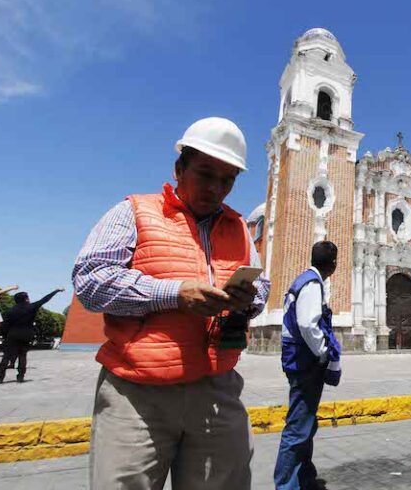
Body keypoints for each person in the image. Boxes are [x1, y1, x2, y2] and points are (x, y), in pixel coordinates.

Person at [72, 116, 270, 490]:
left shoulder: (241, 228)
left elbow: (262, 288)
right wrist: (173, 294)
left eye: (228, 180)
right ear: (179, 168)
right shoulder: (133, 211)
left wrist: (248, 298)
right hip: (138, 395)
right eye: (205, 173)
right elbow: (90, 280)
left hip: (217, 389)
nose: (216, 188)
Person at [274, 241, 342, 490]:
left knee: (306, 422)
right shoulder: (312, 284)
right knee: (298, 427)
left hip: (299, 360)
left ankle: (305, 477)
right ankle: (286, 486)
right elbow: (307, 324)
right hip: (305, 363)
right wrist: (324, 352)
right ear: (332, 264)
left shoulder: (306, 281)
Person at [0, 288, 64, 383]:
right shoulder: (31, 307)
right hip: (26, 334)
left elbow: (4, 325)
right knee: (22, 356)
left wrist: (6, 336)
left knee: (6, 357)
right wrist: (56, 291)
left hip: (12, 334)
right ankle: (20, 377)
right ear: (26, 299)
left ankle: (0, 378)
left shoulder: (9, 311)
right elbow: (45, 299)